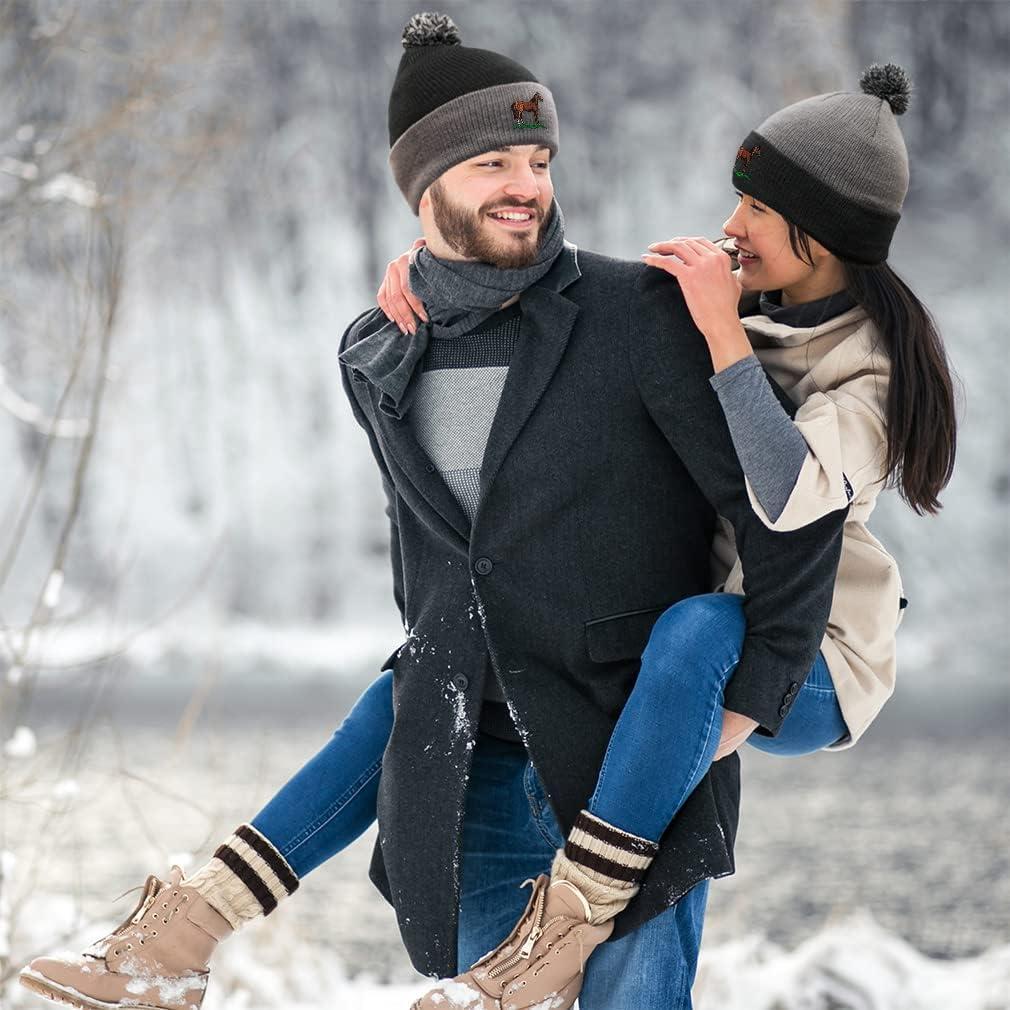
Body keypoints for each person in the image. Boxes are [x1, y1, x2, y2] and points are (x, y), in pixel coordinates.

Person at [19, 13, 911, 1010]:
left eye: (539, 160)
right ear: (424, 183)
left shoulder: (646, 313)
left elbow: (781, 519)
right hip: (473, 759)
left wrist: (754, 693)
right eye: (492, 162)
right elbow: (436, 571)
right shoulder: (378, 348)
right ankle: (175, 945)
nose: (527, 183)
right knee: (409, 697)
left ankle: (199, 932)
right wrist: (440, 294)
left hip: (628, 751)